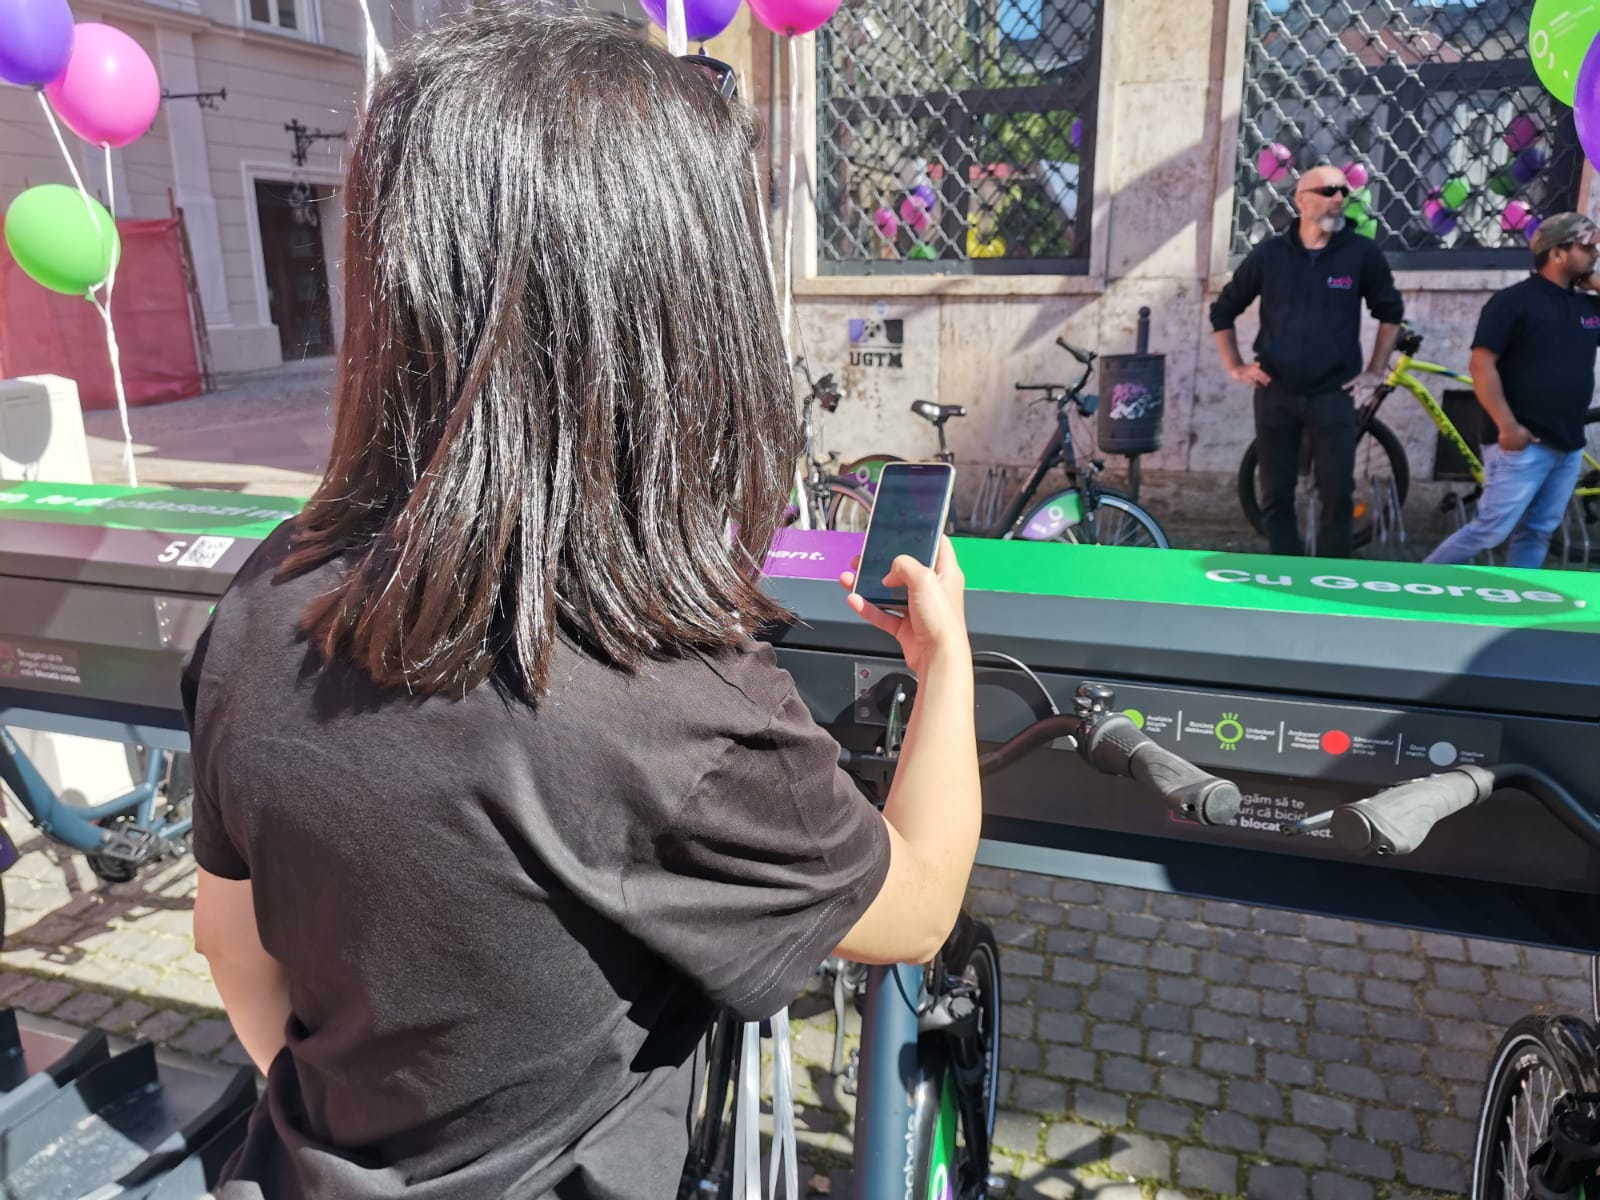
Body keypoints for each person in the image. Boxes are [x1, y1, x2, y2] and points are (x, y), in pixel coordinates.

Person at [184, 11, 982, 1198]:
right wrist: (946, 663)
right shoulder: (674, 705)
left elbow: (229, 945)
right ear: (681, 314)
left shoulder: (266, 594)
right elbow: (911, 911)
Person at [1211, 162, 1406, 557]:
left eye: (1343, 192)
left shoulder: (1361, 254)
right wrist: (1235, 366)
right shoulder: (1270, 255)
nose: (1339, 199)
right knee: (1276, 494)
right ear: (1301, 200)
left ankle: (1330, 580)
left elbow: (1390, 313)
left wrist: (1374, 371)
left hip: (1334, 393)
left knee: (1337, 494)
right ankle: (1287, 576)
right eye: (1328, 191)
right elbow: (1224, 310)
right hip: (1275, 390)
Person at [1423, 212, 1600, 569]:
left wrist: (1593, 281)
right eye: (1587, 246)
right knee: (1490, 530)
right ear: (1557, 252)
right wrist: (1507, 426)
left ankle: (1517, 597)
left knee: (1537, 532)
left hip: (1568, 444)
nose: (1595, 253)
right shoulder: (1512, 302)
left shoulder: (1587, 306)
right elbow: (1481, 365)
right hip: (1522, 442)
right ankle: (1413, 586)